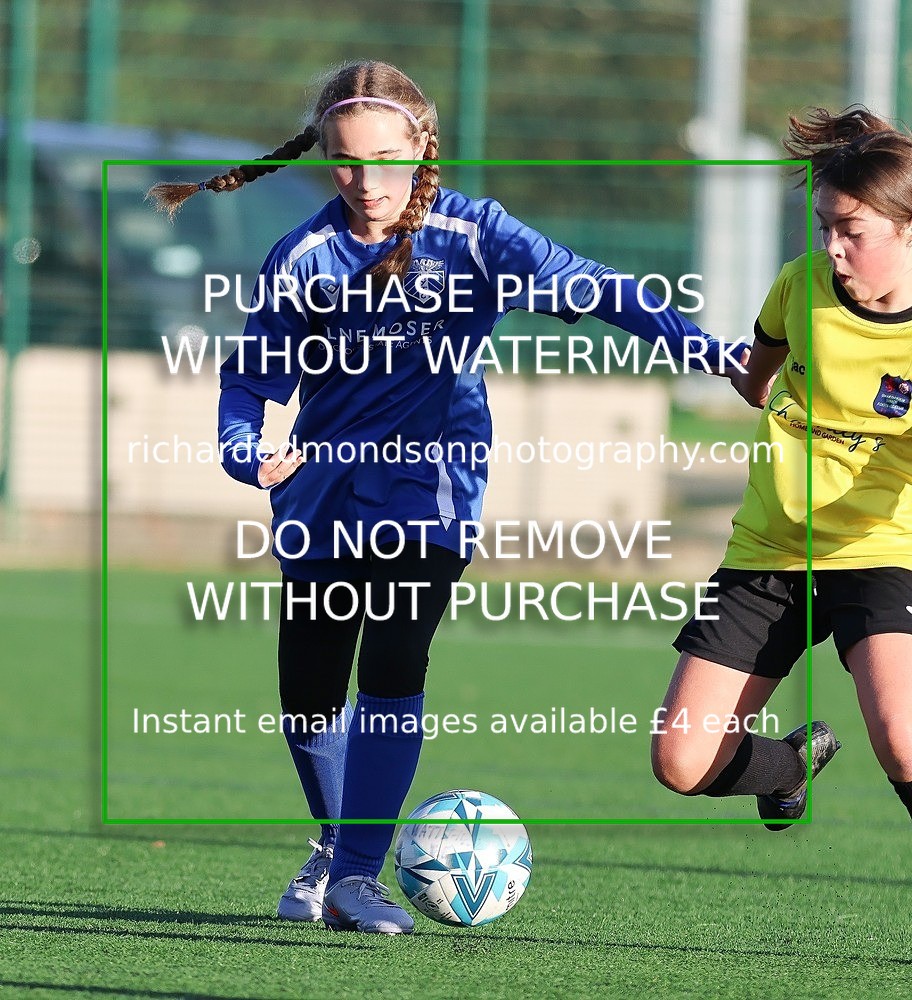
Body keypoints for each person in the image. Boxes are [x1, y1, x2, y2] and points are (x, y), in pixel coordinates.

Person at [149, 60, 744, 934]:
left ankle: (357, 875)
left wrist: (717, 354)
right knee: (310, 691)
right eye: (346, 161)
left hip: (430, 491)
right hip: (320, 495)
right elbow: (249, 381)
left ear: (422, 145)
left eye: (385, 159)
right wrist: (246, 451)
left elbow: (602, 289)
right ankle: (336, 847)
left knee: (393, 663)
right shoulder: (303, 257)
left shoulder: (476, 234)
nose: (366, 182)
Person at [651, 106, 912, 832]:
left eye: (852, 232)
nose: (833, 248)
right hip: (769, 550)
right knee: (681, 763)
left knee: (903, 740)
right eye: (825, 227)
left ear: (907, 227)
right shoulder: (800, 286)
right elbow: (756, 378)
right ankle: (790, 769)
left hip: (881, 552)